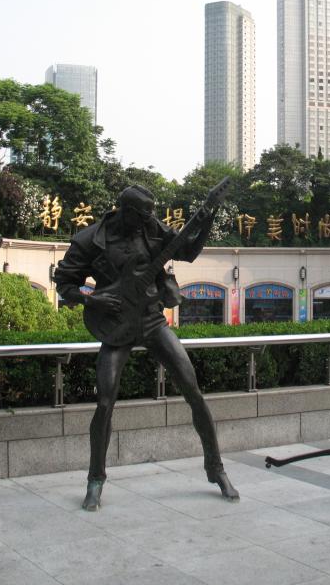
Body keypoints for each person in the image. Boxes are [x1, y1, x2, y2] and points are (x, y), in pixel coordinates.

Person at [54, 184, 239, 511]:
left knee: (194, 391)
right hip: (116, 326)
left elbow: (188, 251)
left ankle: (216, 468)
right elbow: (65, 284)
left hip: (152, 321)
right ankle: (95, 480)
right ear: (125, 211)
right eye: (142, 215)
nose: (148, 221)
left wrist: (208, 216)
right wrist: (93, 300)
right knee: (104, 403)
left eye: (150, 215)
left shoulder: (151, 228)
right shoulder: (90, 240)